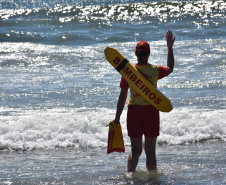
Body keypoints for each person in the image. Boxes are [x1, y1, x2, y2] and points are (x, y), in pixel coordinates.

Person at [114, 30, 175, 172]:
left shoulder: (128, 72)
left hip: (134, 112)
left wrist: (117, 119)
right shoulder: (155, 70)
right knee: (150, 152)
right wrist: (170, 48)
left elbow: (122, 97)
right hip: (151, 110)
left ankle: (130, 178)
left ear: (136, 54)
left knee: (135, 151)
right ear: (148, 54)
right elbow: (170, 68)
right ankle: (153, 180)